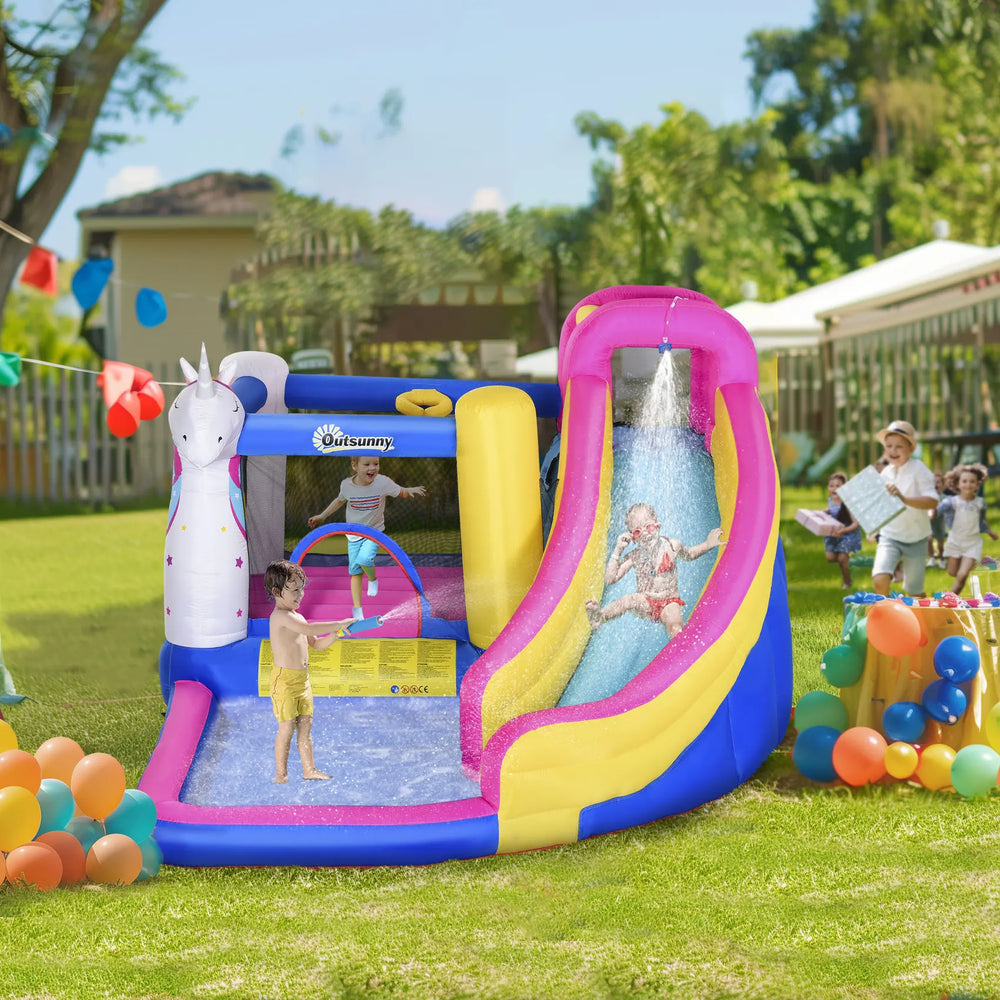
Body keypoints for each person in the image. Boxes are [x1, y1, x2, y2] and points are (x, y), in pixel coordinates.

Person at [265, 560, 356, 784]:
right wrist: (338, 623)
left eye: (301, 589)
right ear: (276, 592)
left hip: (302, 682)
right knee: (287, 727)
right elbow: (308, 629)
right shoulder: (280, 617)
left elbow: (315, 643)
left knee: (305, 727)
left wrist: (335, 635)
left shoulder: (298, 616)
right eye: (295, 590)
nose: (301, 594)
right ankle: (280, 774)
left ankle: (309, 769)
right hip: (284, 681)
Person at [307, 456, 426, 619]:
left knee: (364, 559)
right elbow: (339, 501)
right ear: (354, 465)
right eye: (367, 464)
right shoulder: (347, 485)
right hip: (354, 535)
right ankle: (357, 610)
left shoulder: (382, 482)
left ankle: (372, 579)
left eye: (376, 464)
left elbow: (401, 492)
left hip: (373, 532)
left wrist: (409, 490)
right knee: (355, 572)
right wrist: (322, 516)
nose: (372, 468)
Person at [585, 502, 724, 638]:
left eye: (649, 527)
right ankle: (599, 617)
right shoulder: (634, 556)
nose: (645, 533)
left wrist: (708, 544)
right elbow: (610, 579)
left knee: (675, 627)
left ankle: (679, 644)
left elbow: (690, 554)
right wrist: (618, 549)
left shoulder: (672, 546)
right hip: (646, 602)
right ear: (633, 537)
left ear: (657, 525)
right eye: (638, 531)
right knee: (628, 600)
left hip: (669, 601)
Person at [872, 420, 939, 597]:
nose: (893, 451)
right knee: (879, 578)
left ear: (911, 449)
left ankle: (919, 612)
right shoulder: (885, 473)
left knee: (914, 592)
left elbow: (932, 501)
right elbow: (880, 505)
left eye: (899, 446)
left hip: (916, 538)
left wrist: (904, 499)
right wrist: (873, 528)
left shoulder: (919, 469)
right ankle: (885, 612)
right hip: (890, 535)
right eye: (889, 446)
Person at [936, 463, 998, 594]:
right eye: (964, 481)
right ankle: (970, 564)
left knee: (962, 574)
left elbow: (981, 520)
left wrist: (989, 531)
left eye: (972, 482)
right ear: (958, 484)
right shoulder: (952, 502)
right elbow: (937, 510)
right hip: (955, 541)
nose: (968, 484)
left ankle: (951, 597)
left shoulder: (980, 503)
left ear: (977, 485)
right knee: (952, 572)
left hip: (973, 543)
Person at [824, 472, 862, 590]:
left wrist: (844, 531)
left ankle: (847, 582)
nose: (834, 489)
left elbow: (856, 523)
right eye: (831, 486)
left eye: (838, 486)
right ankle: (847, 561)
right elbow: (832, 509)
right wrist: (825, 512)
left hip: (848, 534)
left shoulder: (848, 503)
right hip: (835, 534)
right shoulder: (831, 500)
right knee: (830, 558)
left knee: (842, 558)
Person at [927, 469, 955, 569]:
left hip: (939, 524)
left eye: (938, 482)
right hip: (929, 524)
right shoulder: (927, 497)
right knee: (928, 539)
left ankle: (942, 559)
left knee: (940, 545)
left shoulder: (944, 498)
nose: (935, 484)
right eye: (933, 483)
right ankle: (931, 558)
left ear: (943, 485)